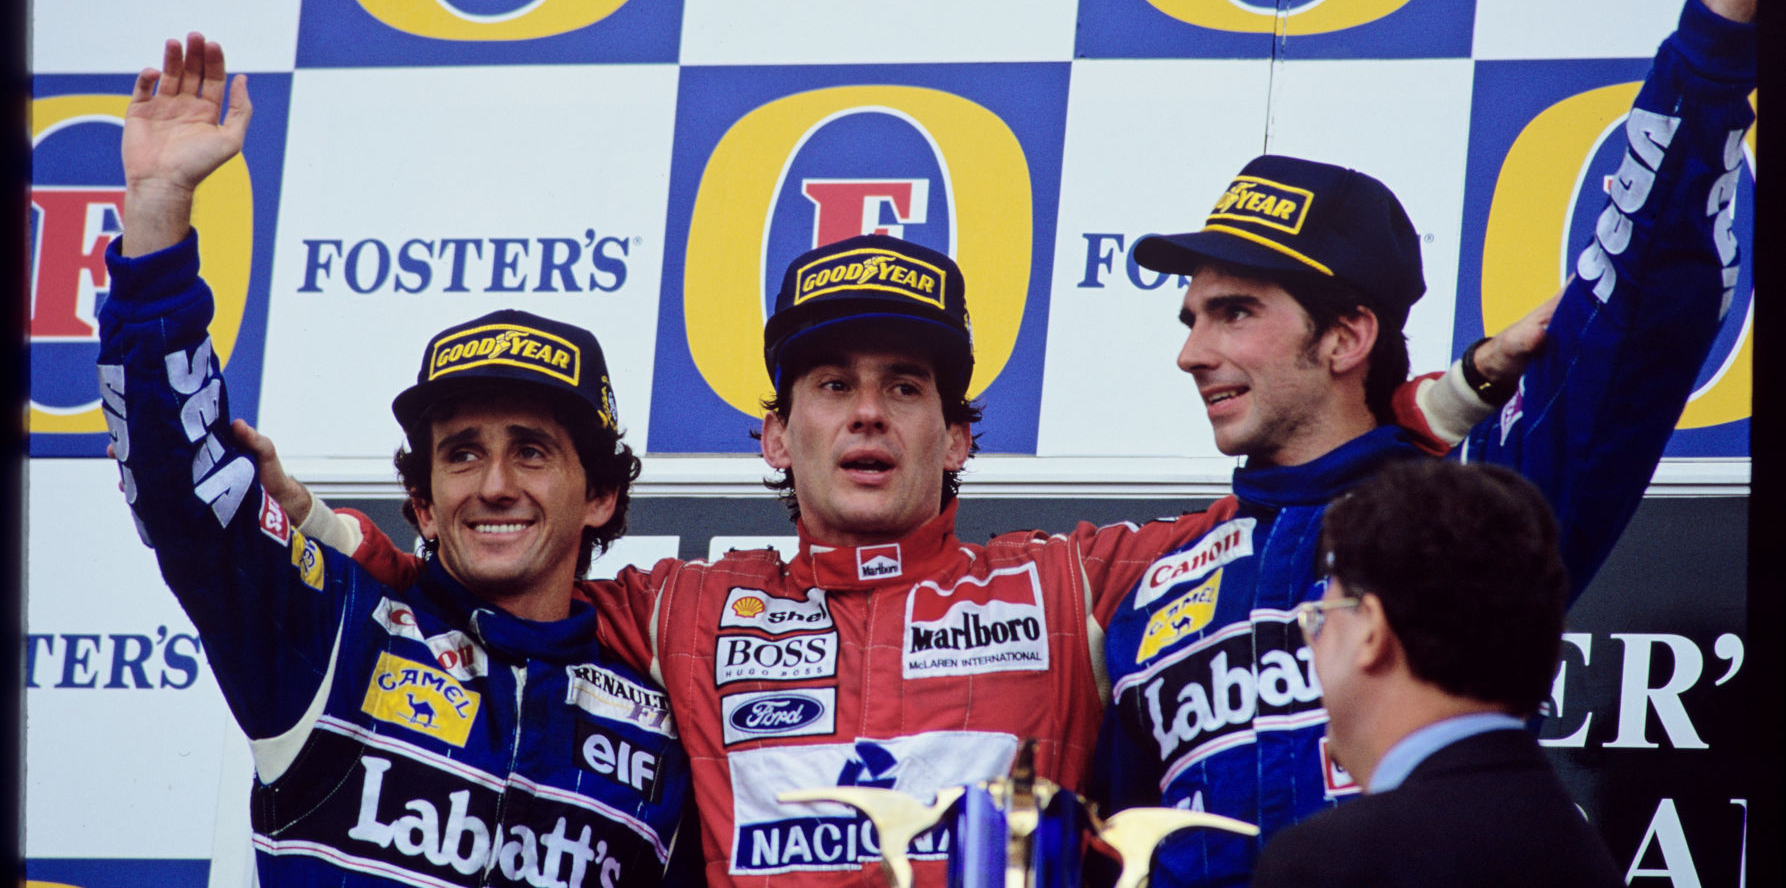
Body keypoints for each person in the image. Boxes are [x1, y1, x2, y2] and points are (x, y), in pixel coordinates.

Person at [310, 228, 1544, 887]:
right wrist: (330, 529)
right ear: (772, 436)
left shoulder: (1070, 582)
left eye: (905, 388)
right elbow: (492, 576)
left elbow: (1286, 503)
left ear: (956, 437)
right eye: (830, 385)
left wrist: (1461, 391)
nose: (864, 414)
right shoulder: (677, 608)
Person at [1089, 0, 1758, 885]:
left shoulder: (1469, 515)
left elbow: (1637, 311)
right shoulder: (1155, 590)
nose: (1191, 352)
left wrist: (1723, 14)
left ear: (1347, 334)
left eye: (1234, 314)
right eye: (1189, 319)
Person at [97, 34, 687, 887]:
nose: (494, 484)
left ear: (598, 494)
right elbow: (180, 485)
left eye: (531, 451)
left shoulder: (667, 722)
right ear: (420, 497)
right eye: (462, 454)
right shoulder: (333, 631)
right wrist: (157, 214)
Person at [1251, 460, 1622, 887]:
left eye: (1318, 618)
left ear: (1371, 631)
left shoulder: (1331, 864)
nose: (1312, 646)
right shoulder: (1578, 853)